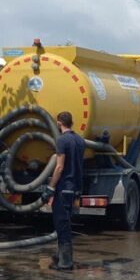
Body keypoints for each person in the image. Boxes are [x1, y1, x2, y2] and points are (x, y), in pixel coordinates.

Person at [43, 111, 85, 271]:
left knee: (62, 225)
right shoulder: (80, 140)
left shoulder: (62, 140)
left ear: (59, 123)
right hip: (75, 188)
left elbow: (59, 166)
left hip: (63, 188)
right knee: (66, 223)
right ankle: (62, 256)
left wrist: (50, 187)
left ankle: (65, 263)